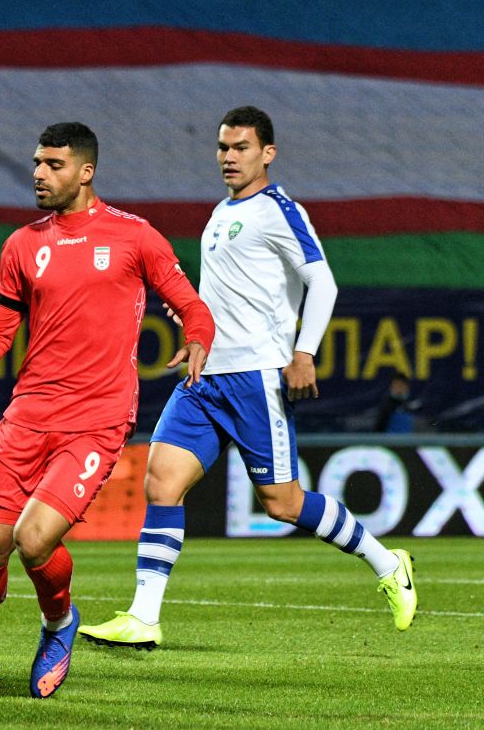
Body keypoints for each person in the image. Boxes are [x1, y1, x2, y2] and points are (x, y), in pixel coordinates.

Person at [79, 106, 418, 651]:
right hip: (204, 375)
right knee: (161, 481)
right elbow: (224, 297)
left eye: (240, 148)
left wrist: (304, 351)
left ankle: (387, 562)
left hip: (255, 377)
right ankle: (144, 617)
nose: (228, 157)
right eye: (222, 148)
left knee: (281, 503)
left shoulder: (280, 210)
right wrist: (193, 323)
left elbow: (323, 284)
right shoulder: (220, 213)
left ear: (268, 153)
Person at [0, 122, 216, 699]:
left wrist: (198, 338)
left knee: (34, 540)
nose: (38, 174)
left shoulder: (134, 237)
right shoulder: (23, 243)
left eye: (52, 164)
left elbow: (190, 304)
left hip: (97, 419)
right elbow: (0, 327)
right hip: (27, 414)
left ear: (85, 172)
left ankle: (57, 624)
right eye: (36, 164)